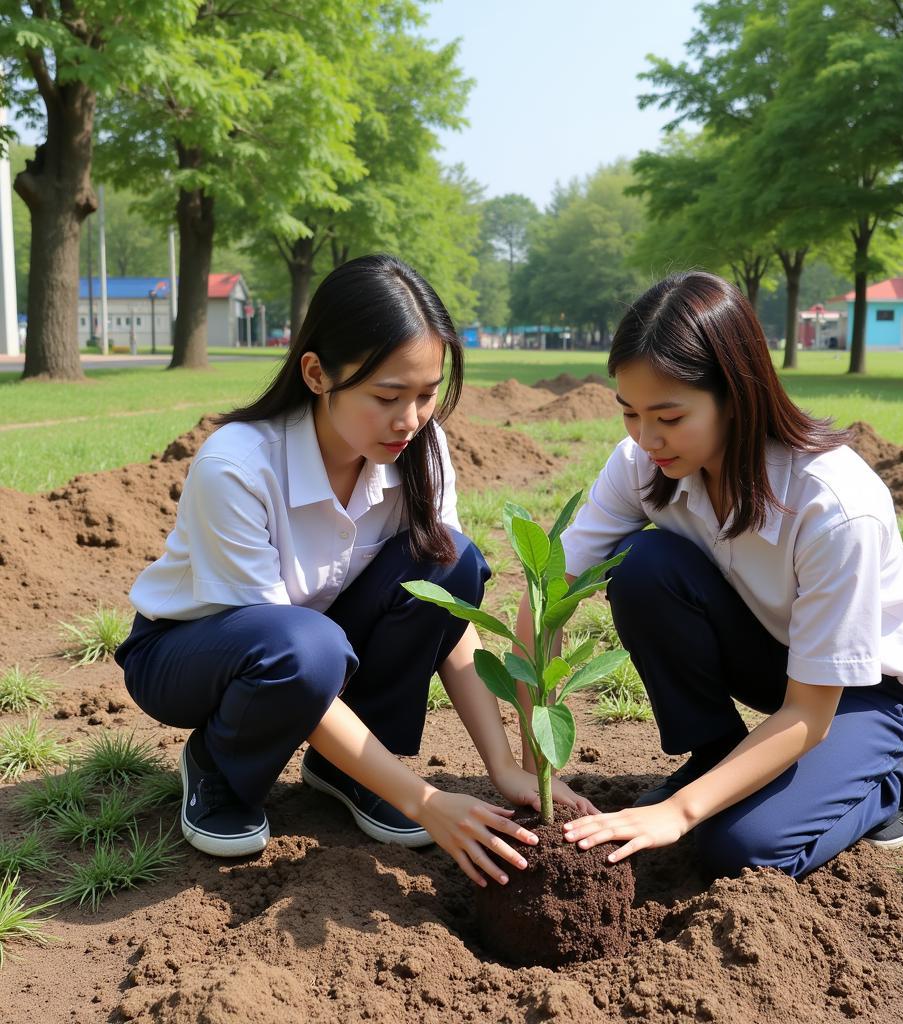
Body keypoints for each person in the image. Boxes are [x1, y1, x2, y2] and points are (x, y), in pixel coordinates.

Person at [114, 253, 595, 888]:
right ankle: (219, 764)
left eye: (427, 395)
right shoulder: (237, 467)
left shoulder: (421, 451)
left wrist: (505, 766)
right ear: (316, 373)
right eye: (387, 396)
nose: (411, 420)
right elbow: (286, 646)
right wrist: (423, 800)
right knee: (303, 647)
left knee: (452, 562)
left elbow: (447, 621)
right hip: (193, 656)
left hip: (314, 646)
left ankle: (347, 767)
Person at [522, 270, 903, 880]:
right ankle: (715, 753)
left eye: (668, 415)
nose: (646, 437)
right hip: (775, 655)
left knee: (740, 849)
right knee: (643, 565)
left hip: (861, 692)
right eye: (631, 414)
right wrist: (536, 760)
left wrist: (679, 813)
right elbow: (550, 589)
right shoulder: (643, 463)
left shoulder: (833, 507)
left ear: (737, 393)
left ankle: (886, 781)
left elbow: (810, 712)